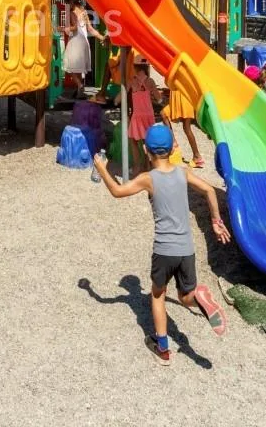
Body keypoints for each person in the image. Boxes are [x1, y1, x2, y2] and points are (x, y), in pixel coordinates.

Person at [91, 123, 230, 365]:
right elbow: (209, 190)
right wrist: (216, 221)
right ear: (173, 148)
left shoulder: (148, 179)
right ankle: (199, 300)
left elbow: (117, 191)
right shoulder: (183, 173)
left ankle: (162, 347)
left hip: (164, 250)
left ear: (146, 150)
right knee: (185, 295)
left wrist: (102, 169)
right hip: (186, 249)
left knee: (157, 295)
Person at [61, 0, 104, 98]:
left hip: (75, 42)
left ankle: (80, 86)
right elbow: (90, 29)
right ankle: (80, 92)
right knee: (78, 69)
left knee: (68, 66)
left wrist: (62, 28)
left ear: (71, 1)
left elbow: (74, 28)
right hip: (84, 42)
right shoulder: (84, 11)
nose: (66, 4)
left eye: (67, 2)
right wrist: (102, 37)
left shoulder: (70, 12)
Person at [127, 60, 157, 173]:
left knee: (133, 140)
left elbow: (122, 94)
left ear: (136, 68)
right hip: (149, 115)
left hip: (138, 115)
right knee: (147, 140)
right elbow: (158, 98)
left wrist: (116, 100)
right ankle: (148, 166)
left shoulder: (132, 81)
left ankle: (137, 166)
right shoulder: (151, 81)